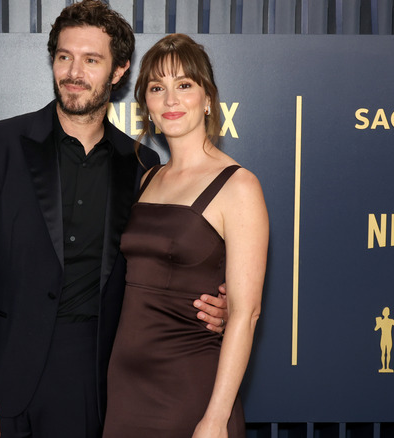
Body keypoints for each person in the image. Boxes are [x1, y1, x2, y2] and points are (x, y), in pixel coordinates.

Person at [0, 3, 228, 438]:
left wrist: (212, 308)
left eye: (91, 60)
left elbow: (157, 262)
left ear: (118, 71)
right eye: (63, 56)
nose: (73, 72)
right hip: (2, 376)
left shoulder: (141, 165)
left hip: (92, 380)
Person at [103, 34, 269, 438]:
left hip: (189, 388)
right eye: (158, 88)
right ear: (147, 106)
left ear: (208, 98)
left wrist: (215, 418)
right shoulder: (147, 177)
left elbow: (245, 314)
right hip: (124, 388)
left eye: (184, 85)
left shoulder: (239, 186)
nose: (171, 100)